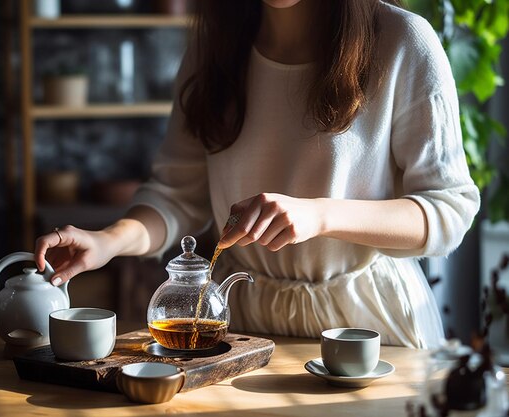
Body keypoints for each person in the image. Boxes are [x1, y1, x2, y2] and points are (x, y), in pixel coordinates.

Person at [34, 0, 480, 349]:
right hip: (245, 327)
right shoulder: (214, 50)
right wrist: (106, 242)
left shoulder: (403, 42)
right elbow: (175, 196)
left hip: (365, 326)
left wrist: (319, 216)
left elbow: (447, 212)